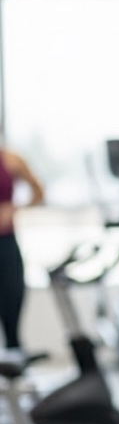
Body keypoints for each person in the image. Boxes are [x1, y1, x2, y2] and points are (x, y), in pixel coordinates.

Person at [0, 145, 45, 351]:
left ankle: (13, 352)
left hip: (6, 242)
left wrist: (14, 208)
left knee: (12, 297)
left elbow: (38, 191)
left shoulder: (11, 159)